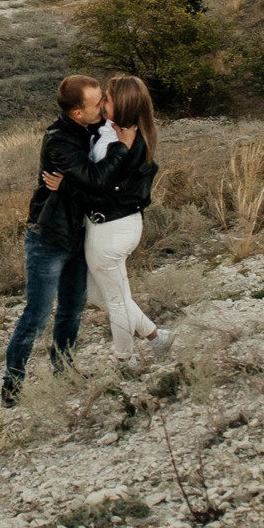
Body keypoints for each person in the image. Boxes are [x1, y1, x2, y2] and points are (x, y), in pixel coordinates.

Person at [1, 73, 110, 405]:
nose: (104, 105)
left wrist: (66, 185)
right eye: (97, 102)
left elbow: (90, 183)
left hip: (77, 234)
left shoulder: (93, 129)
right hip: (49, 238)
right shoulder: (59, 140)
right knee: (36, 315)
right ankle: (12, 384)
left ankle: (64, 372)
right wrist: (81, 186)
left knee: (72, 310)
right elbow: (93, 181)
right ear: (77, 112)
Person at [82, 72, 162, 363]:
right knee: (98, 295)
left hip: (112, 228)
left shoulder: (131, 143)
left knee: (115, 302)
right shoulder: (109, 129)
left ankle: (123, 360)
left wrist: (120, 148)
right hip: (102, 226)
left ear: (124, 105)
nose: (103, 101)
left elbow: (99, 182)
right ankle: (155, 336)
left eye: (109, 98)